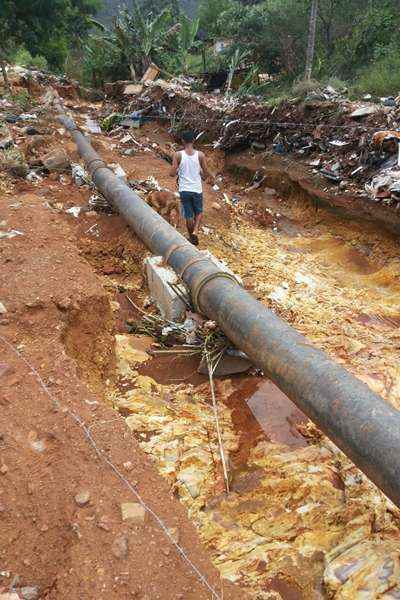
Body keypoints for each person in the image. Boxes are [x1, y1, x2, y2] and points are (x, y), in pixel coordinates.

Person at [170, 131, 214, 246]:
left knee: (188, 215)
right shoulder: (200, 155)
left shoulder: (177, 155)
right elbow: (205, 173)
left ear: (183, 141)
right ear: (194, 140)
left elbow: (172, 173)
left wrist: (177, 168)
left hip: (184, 190)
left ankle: (192, 238)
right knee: (199, 212)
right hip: (197, 189)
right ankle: (196, 230)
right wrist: (208, 176)